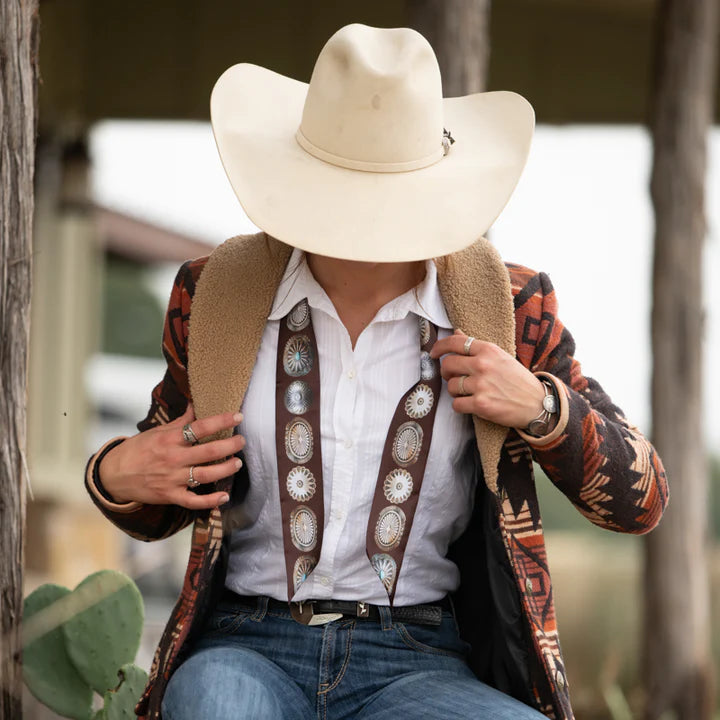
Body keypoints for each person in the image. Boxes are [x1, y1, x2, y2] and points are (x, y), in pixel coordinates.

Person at [85, 23, 668, 720]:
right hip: (246, 645)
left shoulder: (509, 310)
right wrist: (115, 474)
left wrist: (540, 408)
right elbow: (159, 496)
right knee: (216, 704)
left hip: (419, 660)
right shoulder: (216, 295)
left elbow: (641, 501)